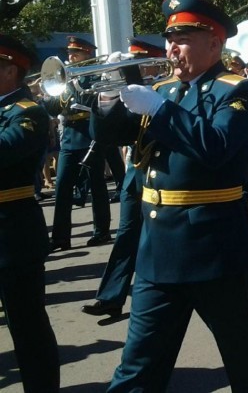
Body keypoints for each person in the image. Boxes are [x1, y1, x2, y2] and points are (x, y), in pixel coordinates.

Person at [93, 0, 248, 392]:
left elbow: (215, 148)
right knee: (137, 367)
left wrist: (157, 109)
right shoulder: (164, 89)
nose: (173, 48)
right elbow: (110, 137)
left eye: (185, 38)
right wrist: (106, 99)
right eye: (171, 38)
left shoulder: (236, 91)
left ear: (215, 42)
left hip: (215, 250)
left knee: (244, 361)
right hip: (157, 249)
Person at [81, 37, 166, 319]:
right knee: (127, 235)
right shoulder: (131, 93)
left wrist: (132, 84)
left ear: (152, 63)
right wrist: (107, 93)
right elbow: (105, 135)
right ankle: (110, 296)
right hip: (136, 173)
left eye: (136, 62)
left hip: (165, 176)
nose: (131, 68)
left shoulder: (164, 89)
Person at [0, 34, 60, 392]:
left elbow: (6, 150)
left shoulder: (29, 112)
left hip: (12, 233)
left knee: (27, 327)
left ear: (10, 70)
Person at [44, 36, 111, 250]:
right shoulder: (64, 80)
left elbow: (93, 103)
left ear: (87, 55)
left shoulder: (94, 77)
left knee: (97, 185)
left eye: (76, 54)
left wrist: (75, 86)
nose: (71, 57)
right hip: (70, 138)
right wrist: (48, 96)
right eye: (70, 54)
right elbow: (54, 109)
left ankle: (101, 231)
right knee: (62, 187)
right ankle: (60, 237)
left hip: (90, 134)